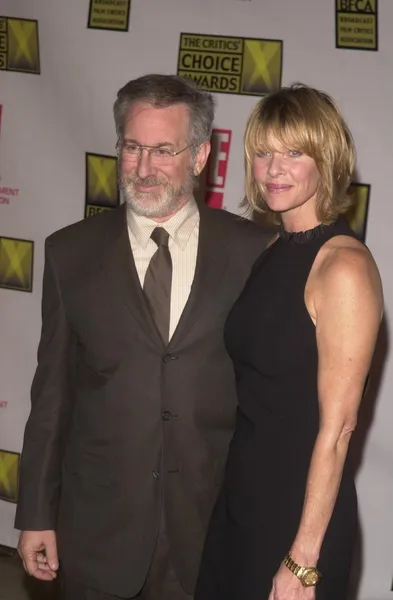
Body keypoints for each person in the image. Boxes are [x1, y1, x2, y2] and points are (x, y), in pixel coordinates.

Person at [14, 74, 269, 600]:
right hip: (98, 531)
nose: (144, 168)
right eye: (132, 148)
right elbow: (52, 396)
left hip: (211, 526)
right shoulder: (70, 253)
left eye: (162, 150)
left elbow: (270, 399)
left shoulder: (254, 252)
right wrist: (35, 514)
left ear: (200, 157)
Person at [195, 84, 383, 600]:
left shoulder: (342, 266)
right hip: (242, 499)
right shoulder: (274, 250)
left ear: (327, 160)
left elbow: (340, 428)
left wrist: (303, 559)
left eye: (294, 153)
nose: (275, 169)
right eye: (263, 153)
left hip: (298, 519)